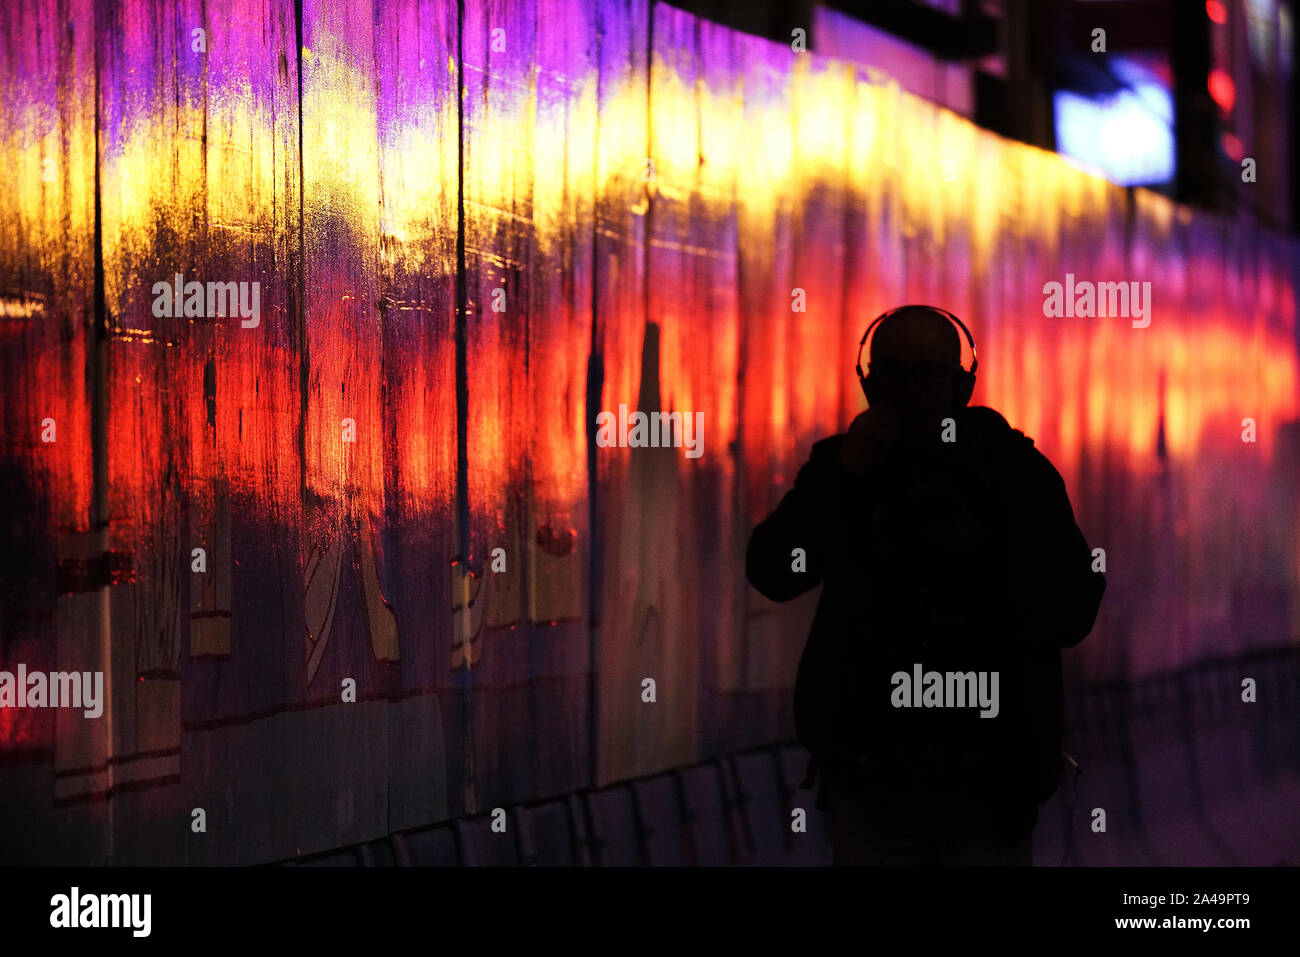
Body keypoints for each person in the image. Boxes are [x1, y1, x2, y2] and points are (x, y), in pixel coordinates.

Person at [745, 305, 1106, 866]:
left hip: (987, 778)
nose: (911, 393)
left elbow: (1072, 608)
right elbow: (774, 571)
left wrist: (992, 557)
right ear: (871, 383)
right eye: (896, 374)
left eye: (927, 374)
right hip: (873, 775)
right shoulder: (846, 468)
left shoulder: (1013, 472)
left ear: (962, 383)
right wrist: (846, 479)